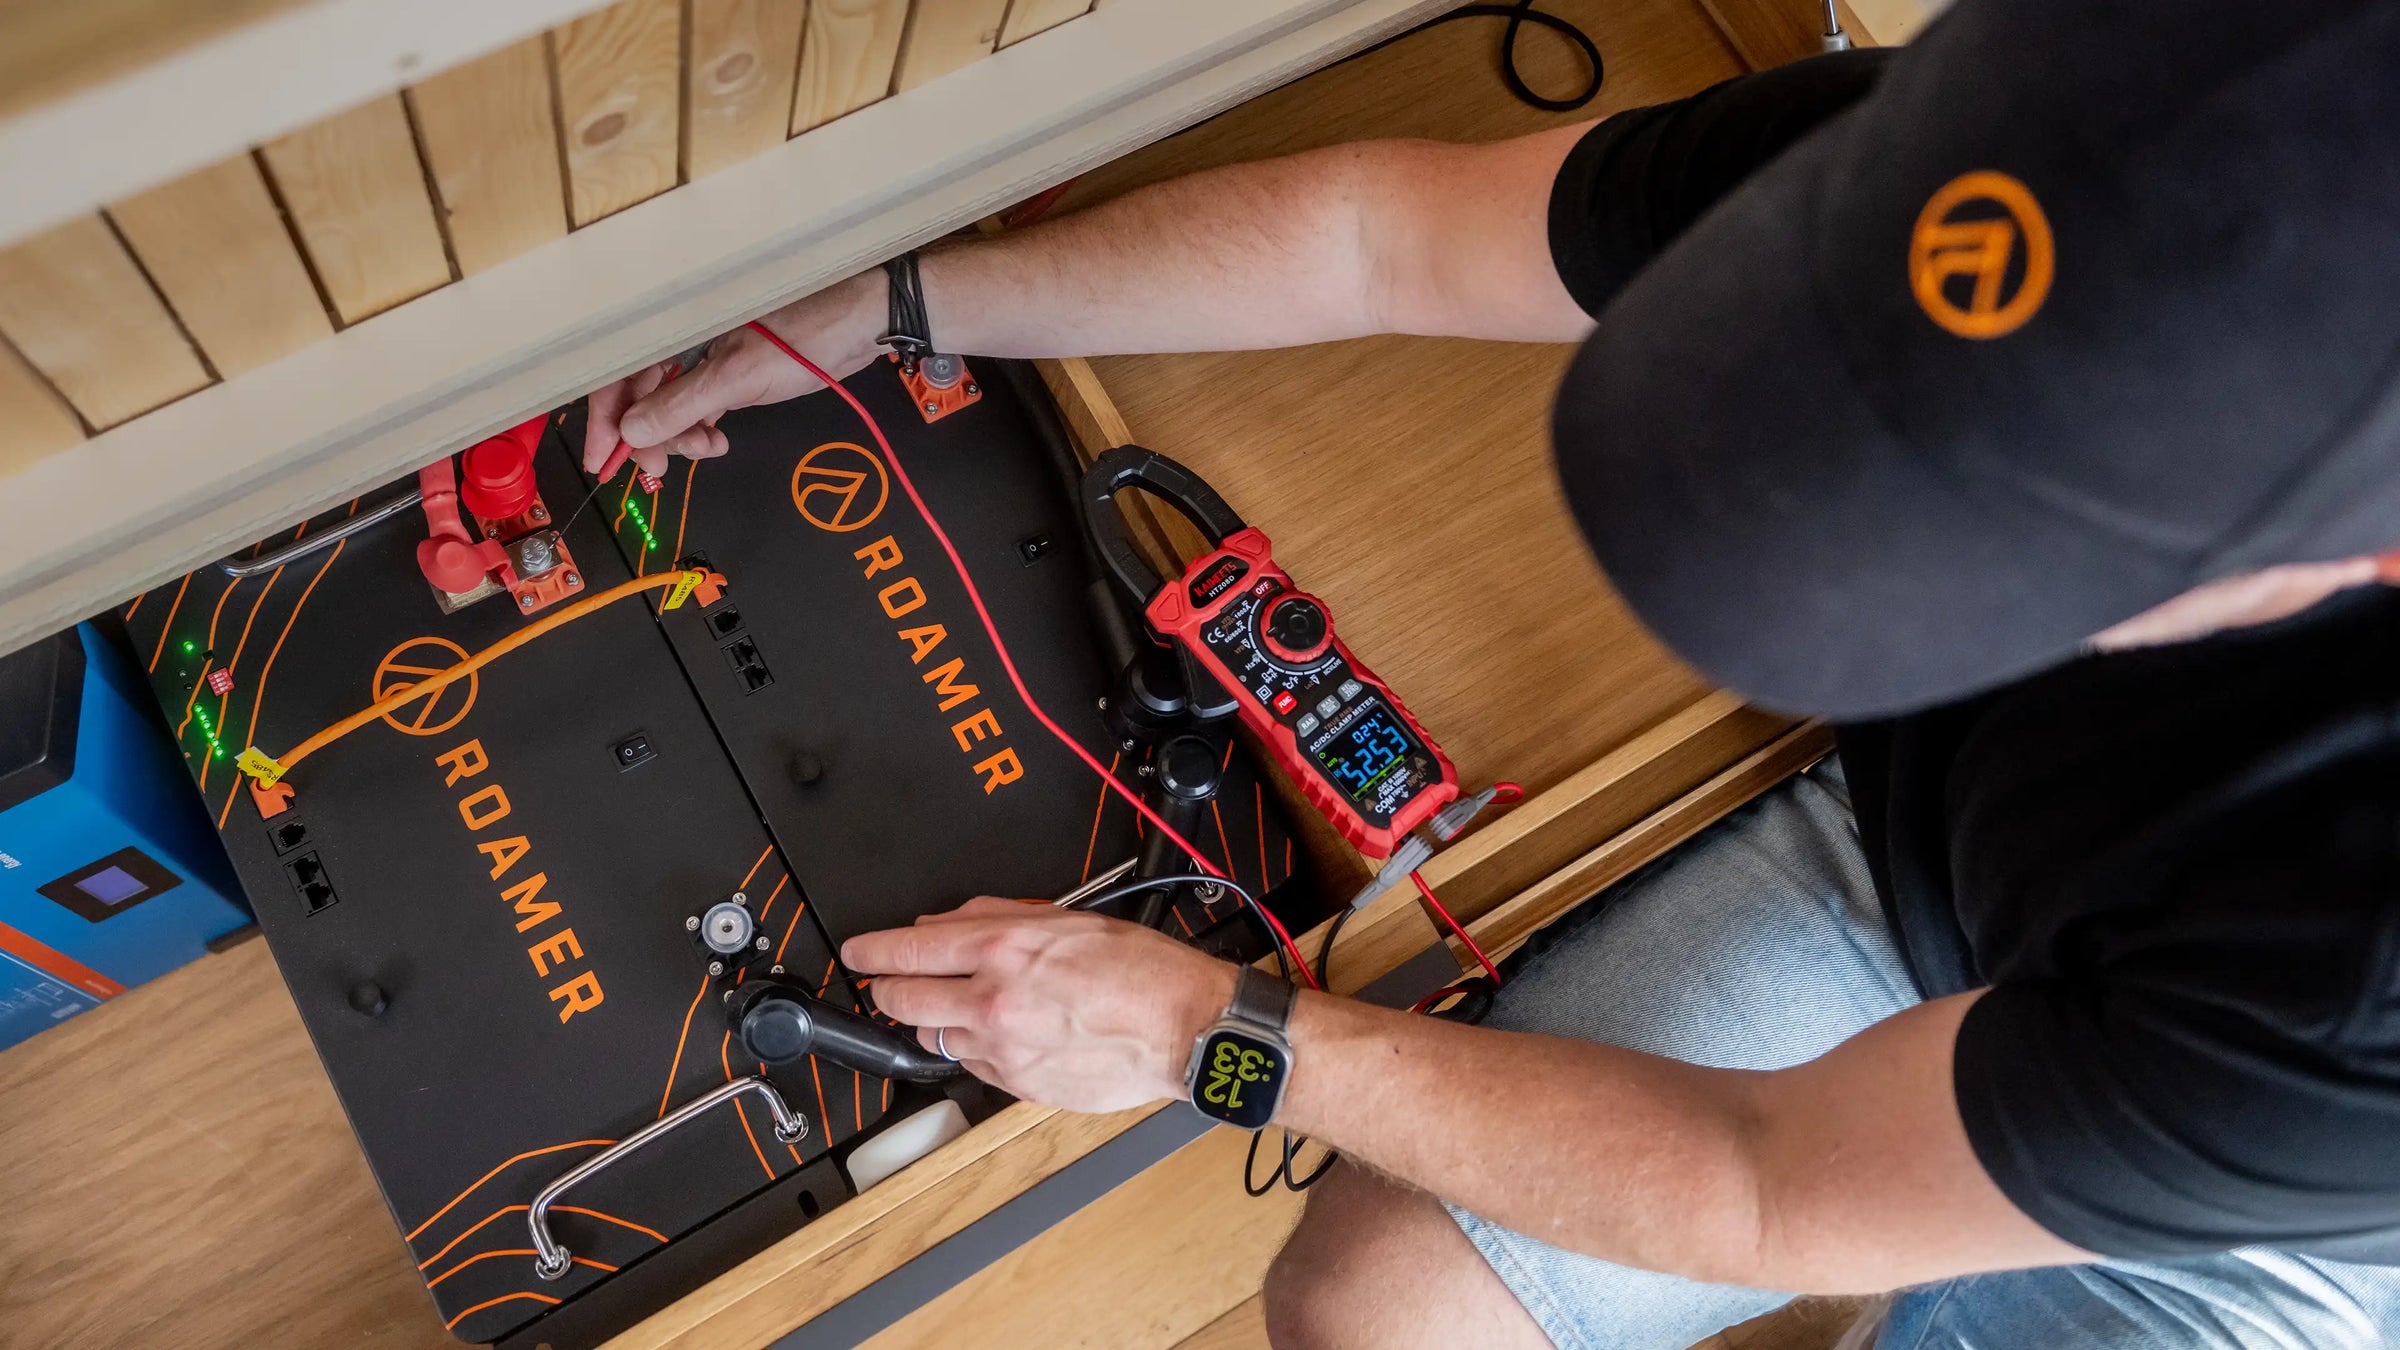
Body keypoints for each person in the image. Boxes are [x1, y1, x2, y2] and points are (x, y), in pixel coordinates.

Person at [584, 2, 2400, 1345]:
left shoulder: (2349, 1024)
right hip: (1965, 838)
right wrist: (897, 309)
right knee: (1379, 1306)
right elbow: (1393, 229)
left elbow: (1772, 1179)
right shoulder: (2104, 157)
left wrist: (1202, 1044)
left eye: (1991, 558)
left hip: (2259, 1203)